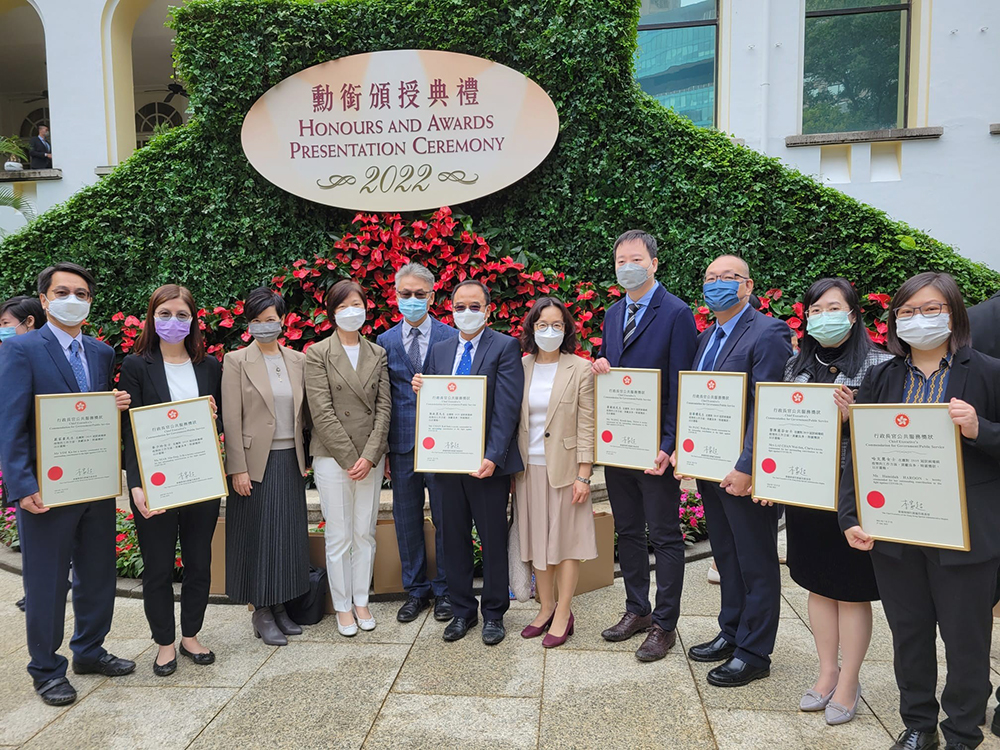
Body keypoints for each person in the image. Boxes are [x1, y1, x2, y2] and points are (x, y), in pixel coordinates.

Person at [840, 272, 1000, 750]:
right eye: (907, 311)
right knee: (909, 635)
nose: (918, 319)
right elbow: (859, 451)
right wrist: (850, 516)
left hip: (964, 536)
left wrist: (981, 429)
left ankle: (962, 732)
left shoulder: (988, 372)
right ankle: (918, 724)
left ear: (954, 313)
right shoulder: (883, 375)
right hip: (895, 532)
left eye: (931, 309)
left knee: (965, 641)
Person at [0, 262, 134, 706]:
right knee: (47, 581)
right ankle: (45, 669)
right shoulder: (21, 350)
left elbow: (86, 412)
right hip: (46, 488)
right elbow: (11, 423)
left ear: (90, 301)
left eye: (81, 292)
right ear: (43, 299)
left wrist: (112, 405)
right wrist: (21, 485)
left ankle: (90, 651)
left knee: (97, 574)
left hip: (93, 483)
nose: (72, 299)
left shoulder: (100, 352)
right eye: (62, 291)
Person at [779, 278, 891, 725]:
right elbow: (783, 427)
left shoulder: (881, 366)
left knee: (849, 590)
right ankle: (827, 672)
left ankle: (850, 681)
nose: (823, 316)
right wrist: (775, 481)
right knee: (817, 584)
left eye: (833, 307)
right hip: (806, 493)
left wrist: (853, 418)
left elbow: (886, 441)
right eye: (815, 309)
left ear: (853, 313)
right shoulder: (795, 365)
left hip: (850, 497)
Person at [678, 254, 792, 687]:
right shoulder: (707, 335)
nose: (717, 284)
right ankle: (731, 632)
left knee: (756, 560)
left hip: (744, 473)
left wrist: (747, 466)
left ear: (747, 286)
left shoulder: (768, 332)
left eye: (728, 277)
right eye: (710, 277)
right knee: (725, 555)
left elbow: (768, 403)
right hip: (710, 468)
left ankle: (754, 651)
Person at [592, 230, 698, 661]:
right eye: (620, 261)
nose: (627, 266)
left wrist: (671, 444)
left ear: (654, 263)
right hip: (620, 446)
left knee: (666, 535)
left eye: (635, 259)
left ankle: (664, 624)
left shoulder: (676, 313)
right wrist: (602, 367)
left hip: (656, 448)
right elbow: (616, 373)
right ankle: (636, 609)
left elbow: (680, 384)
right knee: (629, 530)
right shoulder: (614, 313)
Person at [412, 279, 524, 645]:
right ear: (451, 309)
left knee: (491, 539)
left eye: (474, 306)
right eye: (459, 306)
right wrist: (421, 388)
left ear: (488, 309)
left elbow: (507, 408)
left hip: (486, 467)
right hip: (445, 465)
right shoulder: (441, 350)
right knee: (451, 539)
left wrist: (493, 456)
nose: (466, 312)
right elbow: (434, 406)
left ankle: (493, 613)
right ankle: (462, 611)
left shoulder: (504, 346)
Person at [120, 284, 222, 677]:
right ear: (152, 317)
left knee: (199, 562)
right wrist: (136, 484)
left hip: (199, 480)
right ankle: (164, 641)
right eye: (165, 314)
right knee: (159, 566)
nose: (173, 322)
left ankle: (191, 634)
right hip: (155, 483)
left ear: (193, 320)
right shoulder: (135, 365)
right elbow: (131, 430)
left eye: (182, 315)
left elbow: (221, 423)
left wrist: (213, 414)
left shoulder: (209, 366)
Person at [222, 288, 310, 646]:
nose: (264, 326)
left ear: (283, 320)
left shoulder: (298, 360)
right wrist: (237, 467)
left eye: (270, 320)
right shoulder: (236, 360)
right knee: (258, 536)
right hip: (254, 463)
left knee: (286, 535)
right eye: (256, 321)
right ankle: (260, 610)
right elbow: (231, 416)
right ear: (248, 325)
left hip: (291, 458)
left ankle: (281, 607)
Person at [305, 280, 391, 637]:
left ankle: (361, 600)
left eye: (356, 304)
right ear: (332, 312)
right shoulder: (317, 353)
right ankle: (342, 606)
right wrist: (349, 456)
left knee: (365, 533)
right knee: (339, 534)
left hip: (370, 458)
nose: (351, 312)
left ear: (366, 308)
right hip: (332, 457)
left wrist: (370, 456)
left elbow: (384, 407)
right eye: (343, 307)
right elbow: (320, 411)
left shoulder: (377, 352)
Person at [376, 263, 458, 624]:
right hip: (403, 444)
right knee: (406, 519)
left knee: (445, 518)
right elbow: (383, 398)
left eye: (419, 294)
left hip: (442, 444)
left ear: (432, 296)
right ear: (396, 297)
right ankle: (416, 591)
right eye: (405, 294)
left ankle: (444, 591)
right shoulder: (384, 341)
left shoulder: (452, 336)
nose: (412, 300)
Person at [515, 297, 596, 648]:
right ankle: (545, 606)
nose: (550, 331)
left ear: (567, 330)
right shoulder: (520, 366)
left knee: (565, 544)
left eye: (557, 325)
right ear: (532, 329)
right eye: (543, 325)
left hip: (565, 471)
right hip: (527, 468)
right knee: (536, 542)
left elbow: (587, 425)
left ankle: (564, 611)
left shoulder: (580, 368)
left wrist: (584, 474)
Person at [0, 295, 47, 610]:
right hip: (21, 461)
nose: (2, 330)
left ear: (29, 321)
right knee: (33, 531)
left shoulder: (41, 355)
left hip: (44, 459)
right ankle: (38, 590)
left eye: (5, 324)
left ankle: (43, 589)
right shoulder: (12, 353)